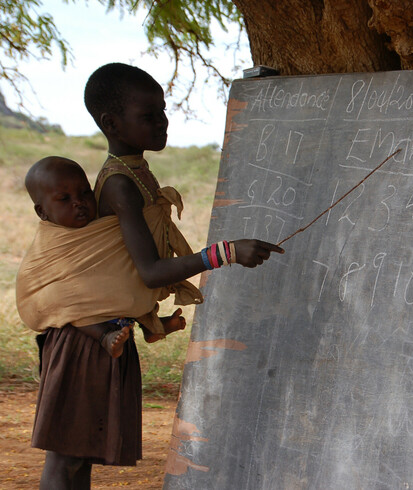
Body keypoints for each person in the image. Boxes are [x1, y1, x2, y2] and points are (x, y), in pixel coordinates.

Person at [29, 62, 284, 489]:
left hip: (108, 333)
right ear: (111, 123)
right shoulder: (120, 185)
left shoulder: (136, 175)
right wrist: (226, 253)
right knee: (68, 458)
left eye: (163, 111)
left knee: (79, 456)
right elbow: (148, 272)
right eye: (149, 116)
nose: (163, 122)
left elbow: (124, 269)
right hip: (85, 338)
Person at [22, 155, 186, 358]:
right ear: (42, 212)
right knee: (63, 296)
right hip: (77, 338)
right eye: (65, 199)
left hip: (119, 329)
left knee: (126, 275)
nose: (79, 202)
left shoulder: (102, 229)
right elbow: (36, 282)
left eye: (85, 193)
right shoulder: (51, 240)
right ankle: (104, 337)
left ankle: (151, 325)